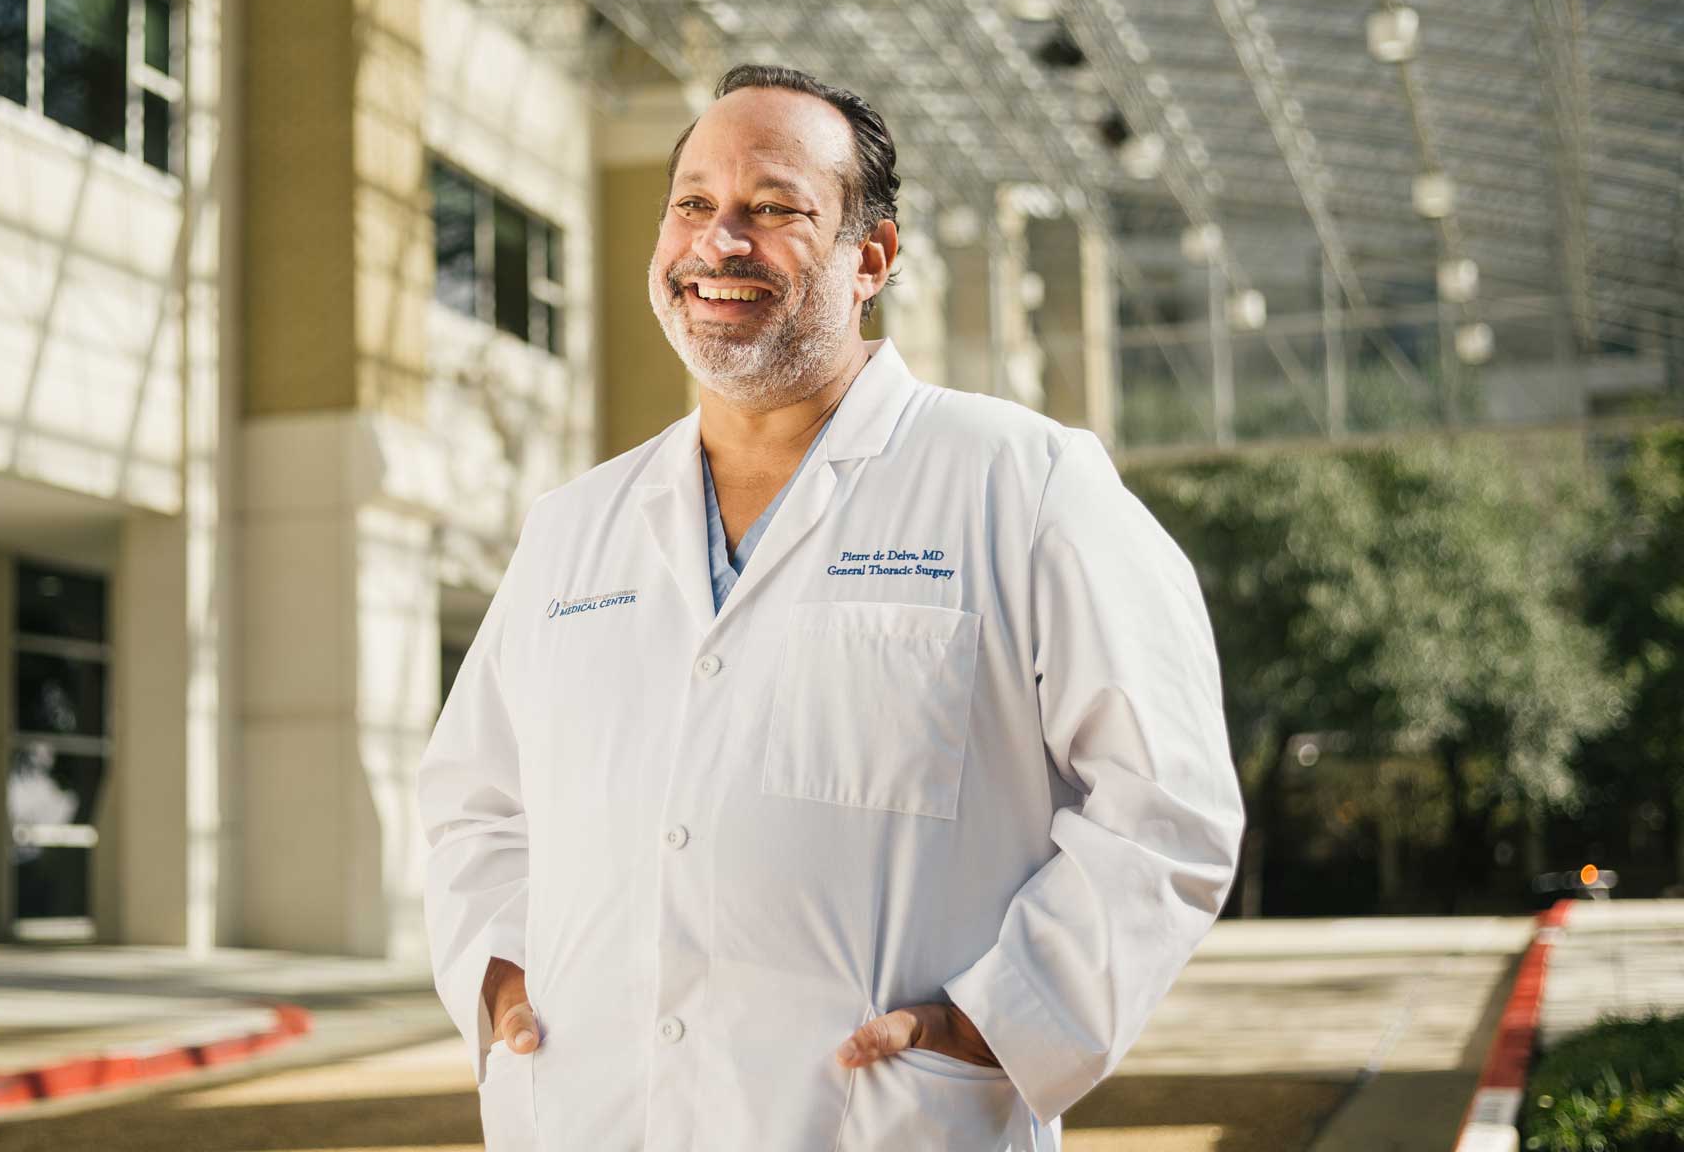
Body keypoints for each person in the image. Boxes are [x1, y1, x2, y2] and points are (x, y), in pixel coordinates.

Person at [418, 64, 1244, 1151]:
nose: (721, 241)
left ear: (872, 258)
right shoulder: (574, 528)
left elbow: (1167, 804)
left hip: (882, 1119)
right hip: (591, 1115)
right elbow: (473, 802)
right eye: (695, 204)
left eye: (775, 208)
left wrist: (1006, 1020)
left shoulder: (1025, 483)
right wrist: (502, 974)